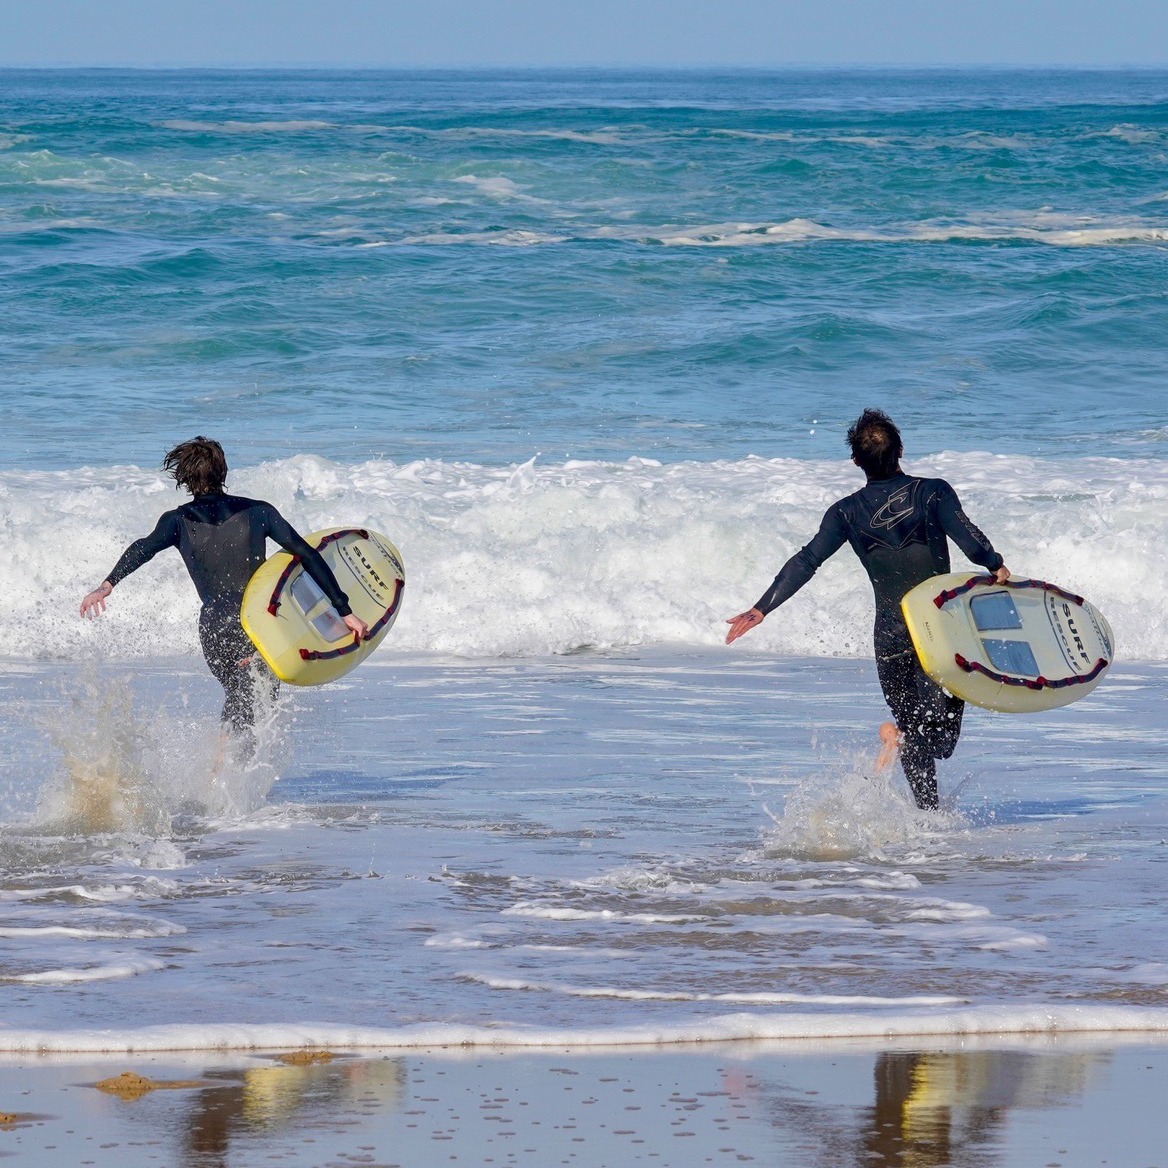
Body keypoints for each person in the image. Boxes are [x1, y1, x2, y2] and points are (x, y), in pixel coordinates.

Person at [725, 409, 1009, 810]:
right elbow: (970, 540)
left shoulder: (845, 512)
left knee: (915, 731)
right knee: (940, 740)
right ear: (901, 451)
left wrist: (762, 608)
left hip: (890, 636)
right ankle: (913, 773)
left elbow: (807, 560)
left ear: (855, 461)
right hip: (939, 633)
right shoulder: (934, 492)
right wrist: (995, 564)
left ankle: (928, 815)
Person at [80, 437, 368, 736]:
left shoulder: (176, 520)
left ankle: (224, 767)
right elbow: (306, 554)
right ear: (223, 472)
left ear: (185, 478)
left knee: (239, 694)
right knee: (257, 701)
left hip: (214, 623)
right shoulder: (259, 512)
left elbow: (144, 547)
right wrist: (344, 610)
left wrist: (107, 584)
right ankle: (226, 769)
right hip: (255, 621)